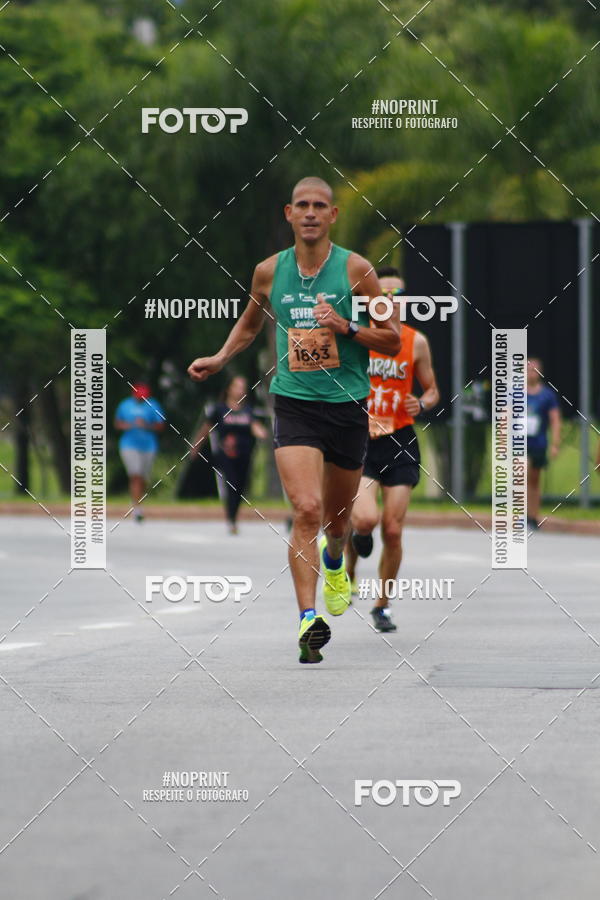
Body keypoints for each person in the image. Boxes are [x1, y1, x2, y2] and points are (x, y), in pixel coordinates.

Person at [188, 176, 400, 663]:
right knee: (306, 509)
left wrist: (344, 326)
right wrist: (220, 359)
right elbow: (250, 321)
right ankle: (309, 620)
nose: (309, 213)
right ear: (289, 214)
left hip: (348, 406)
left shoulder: (357, 271)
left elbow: (391, 338)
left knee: (338, 521)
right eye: (301, 205)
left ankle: (335, 561)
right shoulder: (268, 271)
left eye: (319, 205)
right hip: (294, 402)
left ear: (333, 215)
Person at [346, 267, 440, 632]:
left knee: (394, 530)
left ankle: (382, 605)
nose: (388, 302)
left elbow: (432, 389)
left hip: (400, 439)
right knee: (366, 520)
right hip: (361, 440)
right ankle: (351, 562)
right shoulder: (357, 338)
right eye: (380, 296)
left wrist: (424, 401)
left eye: (396, 296)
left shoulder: (416, 342)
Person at [190, 374, 268, 534]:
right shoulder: (219, 409)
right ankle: (231, 519)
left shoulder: (248, 410)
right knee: (231, 482)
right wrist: (196, 447)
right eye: (237, 387)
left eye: (242, 387)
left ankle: (234, 515)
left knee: (240, 486)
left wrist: (263, 434)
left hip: (245, 453)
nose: (240, 391)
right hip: (226, 454)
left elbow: (255, 426)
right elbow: (206, 429)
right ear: (229, 389)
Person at [114, 382, 165, 522]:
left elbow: (161, 425)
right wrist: (128, 425)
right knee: (135, 475)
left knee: (143, 478)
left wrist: (146, 425)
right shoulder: (125, 405)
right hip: (129, 445)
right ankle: (136, 508)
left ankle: (138, 501)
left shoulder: (153, 405)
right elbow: (117, 423)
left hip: (148, 446)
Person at [527, 358, 561, 530]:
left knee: (534, 480)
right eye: (528, 370)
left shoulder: (547, 395)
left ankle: (532, 517)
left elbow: (555, 419)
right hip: (519, 443)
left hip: (538, 443)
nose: (531, 373)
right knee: (521, 475)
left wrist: (555, 443)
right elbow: (505, 415)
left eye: (535, 370)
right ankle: (521, 516)